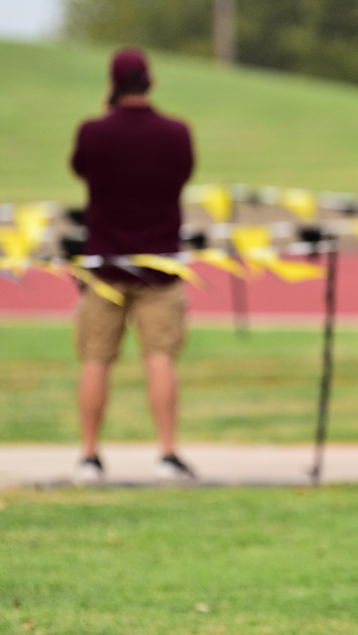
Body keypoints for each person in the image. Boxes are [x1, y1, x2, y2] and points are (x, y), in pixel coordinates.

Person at [71, 48, 197, 483]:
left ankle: (89, 455)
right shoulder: (176, 132)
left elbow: (82, 170)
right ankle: (167, 453)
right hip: (159, 264)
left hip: (103, 266)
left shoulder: (93, 132)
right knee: (160, 358)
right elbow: (182, 174)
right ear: (150, 82)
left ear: (112, 83)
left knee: (95, 359)